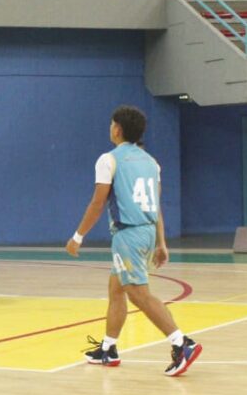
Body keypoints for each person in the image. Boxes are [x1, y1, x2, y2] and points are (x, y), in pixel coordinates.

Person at [66, 105, 202, 377]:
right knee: (116, 289)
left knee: (138, 292)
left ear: (117, 129)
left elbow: (98, 201)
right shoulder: (151, 162)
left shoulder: (109, 159)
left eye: (111, 124)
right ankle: (108, 348)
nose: (110, 128)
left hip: (127, 234)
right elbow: (156, 204)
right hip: (147, 231)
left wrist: (77, 236)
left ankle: (181, 343)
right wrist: (161, 242)